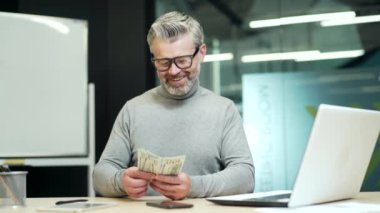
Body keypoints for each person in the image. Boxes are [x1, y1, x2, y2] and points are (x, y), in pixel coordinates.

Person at [93, 11, 255, 200]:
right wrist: (120, 181)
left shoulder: (224, 110)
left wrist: (194, 186)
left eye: (182, 60)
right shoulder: (132, 110)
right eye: (163, 62)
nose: (174, 71)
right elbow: (100, 175)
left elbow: (246, 177)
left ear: (201, 52)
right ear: (153, 58)